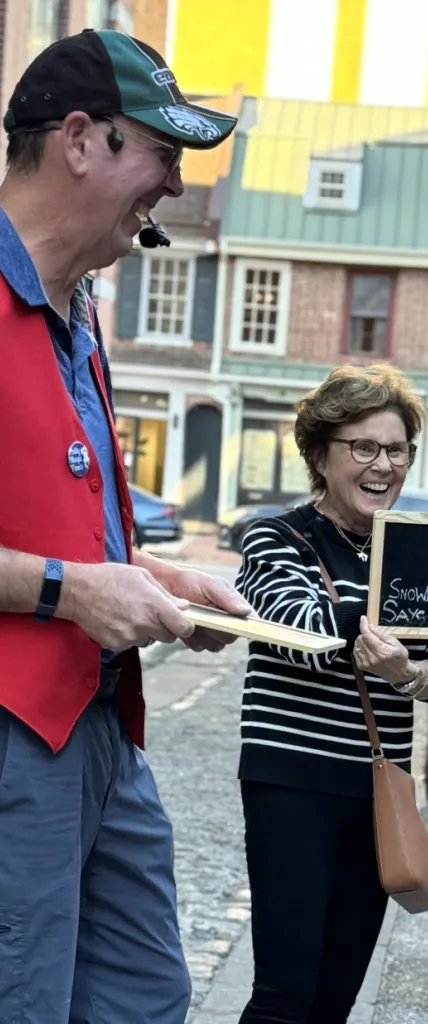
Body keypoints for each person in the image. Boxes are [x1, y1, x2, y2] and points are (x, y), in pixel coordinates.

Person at [0, 28, 251, 1024]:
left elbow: (61, 526)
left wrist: (154, 577)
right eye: (162, 153)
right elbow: (60, 570)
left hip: (104, 730)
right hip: (17, 734)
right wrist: (72, 592)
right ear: (79, 140)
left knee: (146, 999)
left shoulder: (81, 312)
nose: (176, 187)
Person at [235, 363, 428, 1023]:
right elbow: (296, 630)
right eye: (363, 447)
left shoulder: (415, 549)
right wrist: (414, 600)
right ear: (320, 454)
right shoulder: (276, 536)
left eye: (396, 449)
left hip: (377, 792)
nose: (383, 464)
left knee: (335, 997)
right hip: (293, 785)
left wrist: (409, 673)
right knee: (286, 994)